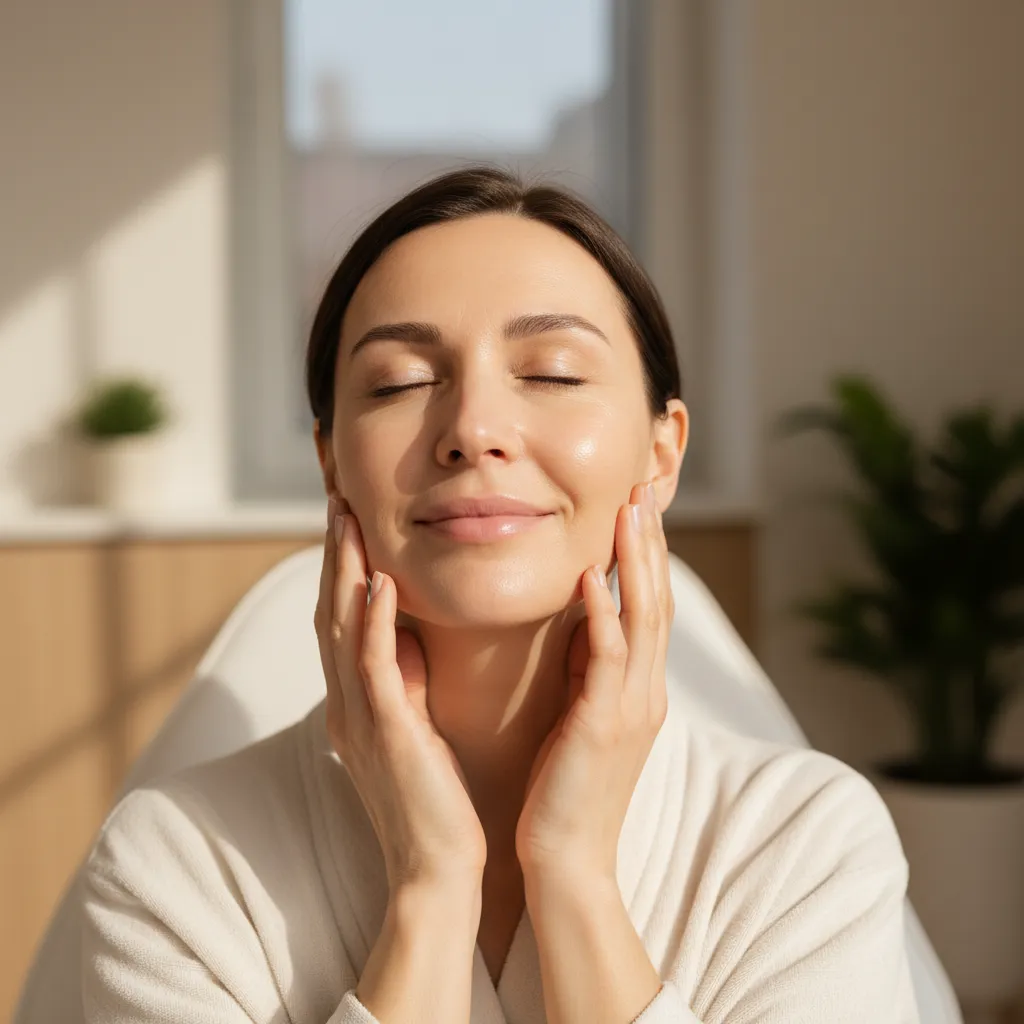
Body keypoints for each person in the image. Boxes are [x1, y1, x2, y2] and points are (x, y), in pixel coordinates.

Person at [80, 166, 919, 1023]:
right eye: (400, 382)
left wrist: (577, 874)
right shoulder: (175, 867)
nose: (474, 429)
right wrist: (429, 885)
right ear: (331, 462)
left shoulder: (802, 847)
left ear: (662, 455)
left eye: (553, 373)